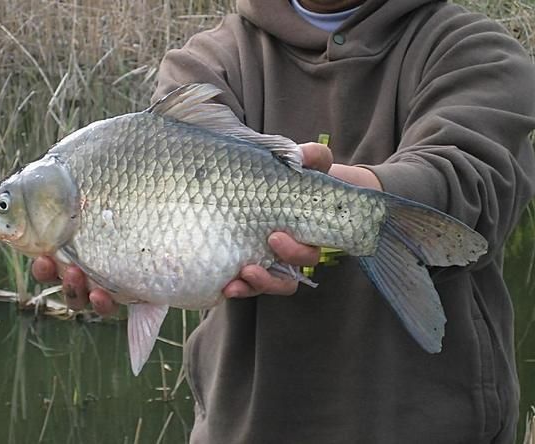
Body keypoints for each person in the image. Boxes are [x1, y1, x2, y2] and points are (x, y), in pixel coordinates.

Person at [32, 0, 535, 442]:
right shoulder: (207, 63)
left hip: (427, 422)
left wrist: (345, 199)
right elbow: (169, 234)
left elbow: (480, 188)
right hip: (248, 423)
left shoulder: (475, 49)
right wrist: (128, 275)